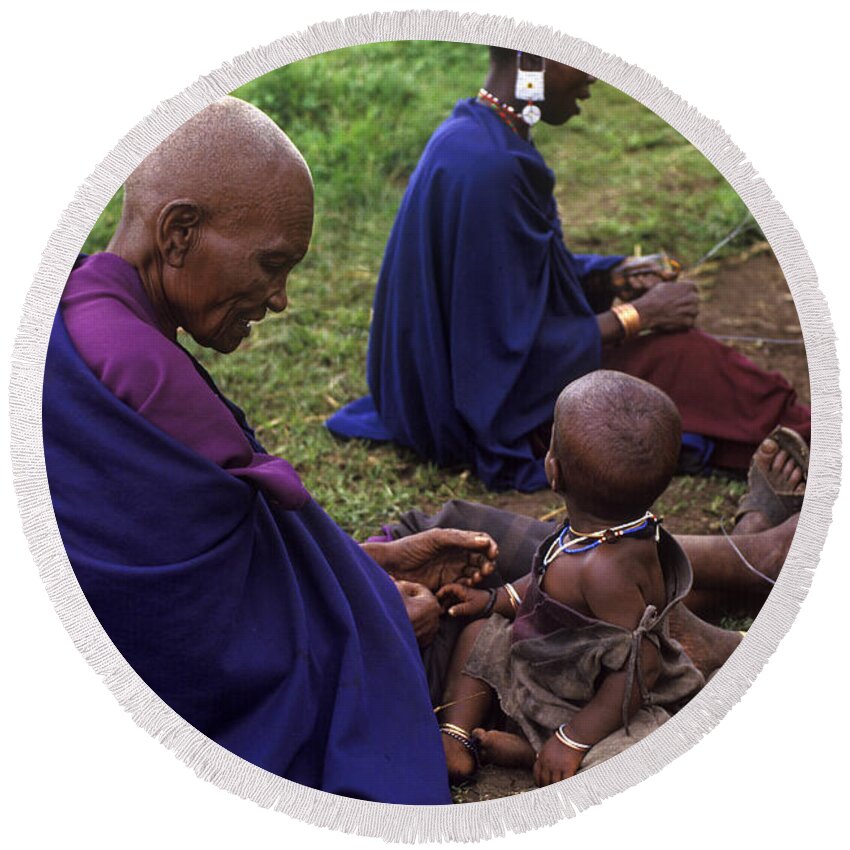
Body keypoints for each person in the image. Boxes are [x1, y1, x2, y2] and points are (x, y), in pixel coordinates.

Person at [43, 96, 804, 804]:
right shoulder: (142, 375)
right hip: (280, 692)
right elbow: (183, 645)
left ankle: (738, 563)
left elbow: (215, 559)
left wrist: (375, 569)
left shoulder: (78, 313)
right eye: (273, 263)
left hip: (274, 618)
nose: (280, 299)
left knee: (449, 528)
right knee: (544, 612)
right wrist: (374, 609)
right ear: (179, 232)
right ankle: (716, 616)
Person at [326, 47, 811, 492]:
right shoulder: (491, 167)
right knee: (680, 357)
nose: (592, 77)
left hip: (444, 385)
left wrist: (611, 276)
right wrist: (639, 316)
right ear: (531, 61)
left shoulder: (479, 132)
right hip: (485, 411)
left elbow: (509, 282)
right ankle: (807, 437)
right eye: (577, 58)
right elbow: (501, 356)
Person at [433, 372, 708, 785]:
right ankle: (455, 737)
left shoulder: (607, 573)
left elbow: (640, 666)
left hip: (589, 702)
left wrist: (573, 738)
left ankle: (544, 751)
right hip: (542, 666)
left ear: (554, 472)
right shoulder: (590, 531)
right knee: (479, 632)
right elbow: (543, 583)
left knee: (627, 751)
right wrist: (494, 601)